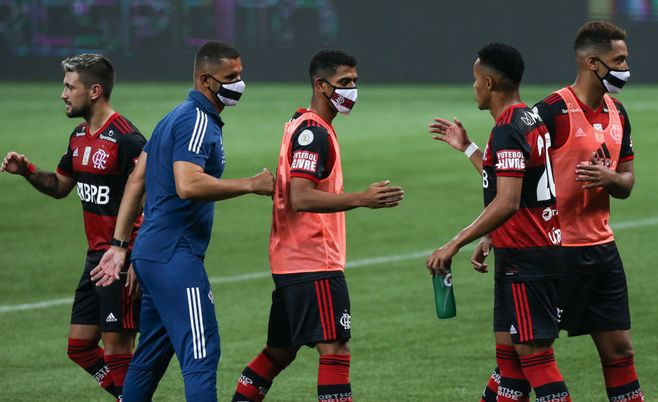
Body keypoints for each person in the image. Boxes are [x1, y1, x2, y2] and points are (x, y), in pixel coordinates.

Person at [89, 41, 275, 402]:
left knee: (150, 357)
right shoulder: (196, 120)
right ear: (206, 80)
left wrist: (119, 245)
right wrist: (251, 184)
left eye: (241, 74)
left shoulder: (173, 116)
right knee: (202, 350)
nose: (240, 84)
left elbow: (137, 179)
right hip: (175, 255)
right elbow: (187, 184)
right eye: (231, 77)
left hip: (153, 254)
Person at [231, 49, 405, 402]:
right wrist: (362, 198)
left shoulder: (300, 124)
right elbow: (302, 196)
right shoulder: (314, 132)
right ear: (321, 85)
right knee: (336, 349)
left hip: (289, 260)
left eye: (355, 82)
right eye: (344, 83)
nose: (352, 90)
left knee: (279, 352)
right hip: (314, 262)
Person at [426, 43, 570, 402]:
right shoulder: (527, 118)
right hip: (527, 252)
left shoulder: (507, 129)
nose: (472, 86)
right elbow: (512, 185)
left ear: (489, 82)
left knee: (535, 359)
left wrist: (455, 242)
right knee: (509, 361)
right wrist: (469, 148)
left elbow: (507, 201)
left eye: (475, 79)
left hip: (528, 258)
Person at [1, 53, 144, 400]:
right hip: (95, 259)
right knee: (80, 347)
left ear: (94, 91)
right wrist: (29, 171)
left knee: (116, 350)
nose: (63, 94)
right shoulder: (79, 136)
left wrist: (134, 256)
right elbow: (61, 186)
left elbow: (152, 201)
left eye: (69, 86)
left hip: (120, 258)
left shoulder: (127, 139)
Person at [531, 21, 643, 401]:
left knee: (620, 351)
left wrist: (609, 178)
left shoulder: (618, 112)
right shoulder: (550, 112)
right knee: (528, 357)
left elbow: (627, 183)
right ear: (593, 62)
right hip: (554, 254)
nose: (627, 68)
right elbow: (513, 179)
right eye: (620, 60)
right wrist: (498, 236)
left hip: (602, 253)